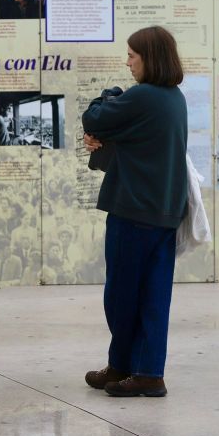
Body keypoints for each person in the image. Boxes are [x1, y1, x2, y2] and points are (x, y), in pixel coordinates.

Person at [81, 25, 188, 398]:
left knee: (122, 294)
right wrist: (107, 138)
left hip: (134, 211)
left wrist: (109, 95)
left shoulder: (142, 96)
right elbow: (133, 140)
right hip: (163, 212)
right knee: (154, 295)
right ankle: (144, 371)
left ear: (149, 57)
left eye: (132, 55)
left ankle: (126, 365)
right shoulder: (173, 97)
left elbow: (94, 117)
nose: (127, 62)